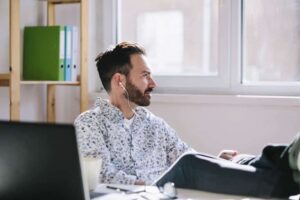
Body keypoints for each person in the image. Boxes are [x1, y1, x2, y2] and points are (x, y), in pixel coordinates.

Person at [74, 41, 300, 198]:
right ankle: (286, 182)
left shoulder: (154, 124)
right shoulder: (89, 124)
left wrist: (216, 161)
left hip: (165, 189)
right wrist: (156, 181)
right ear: (119, 81)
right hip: (141, 194)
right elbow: (102, 175)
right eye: (145, 76)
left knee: (235, 160)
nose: (153, 84)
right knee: (189, 165)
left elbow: (186, 154)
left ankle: (290, 159)